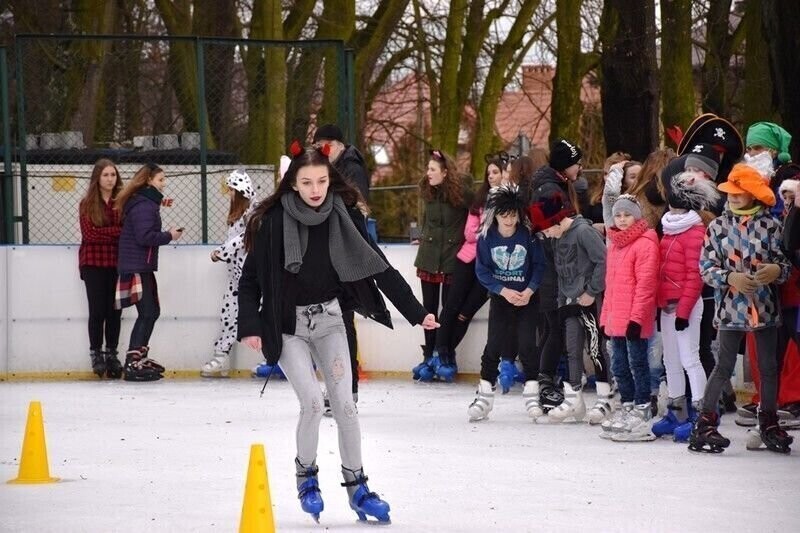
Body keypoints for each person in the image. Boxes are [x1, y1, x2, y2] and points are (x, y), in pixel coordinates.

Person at [237, 143, 438, 523]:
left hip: (330, 320)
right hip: (289, 326)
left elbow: (378, 266)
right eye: (307, 182)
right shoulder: (275, 223)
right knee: (312, 403)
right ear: (293, 184)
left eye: (322, 181)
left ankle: (358, 488)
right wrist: (250, 326)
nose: (316, 189)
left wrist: (417, 312)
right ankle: (307, 478)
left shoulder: (342, 215)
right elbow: (250, 282)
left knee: (345, 405)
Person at [691, 164, 792, 454]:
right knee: (723, 364)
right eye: (730, 194)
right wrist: (729, 277)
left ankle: (769, 421)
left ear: (754, 195)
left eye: (739, 194)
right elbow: (706, 267)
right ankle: (706, 422)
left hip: (764, 307)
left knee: (769, 366)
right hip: (730, 309)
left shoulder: (771, 226)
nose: (733, 198)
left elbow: (784, 265)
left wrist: (776, 270)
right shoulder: (718, 226)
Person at [530, 179, 611, 425]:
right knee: (572, 348)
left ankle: (605, 398)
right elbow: (561, 271)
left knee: (595, 349)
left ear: (555, 221)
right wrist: (560, 300)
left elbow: (603, 261)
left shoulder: (583, 231)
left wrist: (591, 291)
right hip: (568, 301)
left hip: (588, 301)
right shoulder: (558, 238)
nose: (545, 235)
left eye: (546, 230)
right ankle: (574, 397)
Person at [652, 172, 720, 442]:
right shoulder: (667, 228)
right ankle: (676, 409)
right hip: (667, 305)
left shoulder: (694, 231)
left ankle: (701, 414)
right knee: (670, 360)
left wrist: (683, 311)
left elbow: (695, 275)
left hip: (686, 307)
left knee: (689, 358)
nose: (673, 207)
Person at [468, 184, 545, 421]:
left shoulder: (528, 236)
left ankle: (533, 394)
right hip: (501, 300)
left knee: (527, 345)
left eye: (513, 215)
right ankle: (484, 395)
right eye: (504, 215)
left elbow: (540, 266)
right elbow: (482, 271)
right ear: (495, 215)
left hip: (526, 300)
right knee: (494, 345)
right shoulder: (486, 238)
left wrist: (530, 290)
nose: (509, 220)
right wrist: (502, 290)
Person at [432, 155, 503, 381]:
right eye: (489, 173)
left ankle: (447, 350)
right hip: (467, 259)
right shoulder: (480, 200)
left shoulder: (509, 199)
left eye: (495, 172)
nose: (491, 177)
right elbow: (469, 234)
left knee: (466, 312)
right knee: (452, 305)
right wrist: (488, 229)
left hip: (491, 265)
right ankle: (441, 351)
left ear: (505, 174)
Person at [598, 195, 659, 441]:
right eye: (618, 215)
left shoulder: (645, 243)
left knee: (638, 365)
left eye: (627, 215)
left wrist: (636, 319)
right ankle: (627, 405)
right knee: (619, 367)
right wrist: (605, 319)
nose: (622, 220)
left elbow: (645, 286)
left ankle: (642, 408)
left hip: (634, 321)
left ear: (637, 216)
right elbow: (610, 287)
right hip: (615, 319)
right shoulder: (615, 244)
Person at [115, 163, 183, 382]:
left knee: (151, 311)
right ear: (148, 181)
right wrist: (169, 236)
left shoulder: (146, 203)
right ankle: (133, 359)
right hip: (137, 266)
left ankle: (139, 355)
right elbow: (145, 237)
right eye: (161, 179)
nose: (164, 184)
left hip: (141, 265)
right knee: (148, 312)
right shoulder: (144, 205)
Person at [411, 149, 471, 381]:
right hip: (428, 256)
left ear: (445, 173)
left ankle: (444, 354)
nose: (428, 174)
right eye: (428, 169)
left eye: (432, 170)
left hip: (450, 258)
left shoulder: (461, 193)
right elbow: (426, 219)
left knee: (449, 309)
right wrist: (421, 234)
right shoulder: (427, 192)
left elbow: (476, 212)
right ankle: (429, 355)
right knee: (428, 310)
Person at [201, 169, 257, 378]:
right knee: (229, 316)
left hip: (249, 277)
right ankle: (221, 357)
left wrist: (221, 252)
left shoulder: (252, 212)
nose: (229, 194)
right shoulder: (238, 214)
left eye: (232, 190)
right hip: (236, 277)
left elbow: (245, 237)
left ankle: (275, 358)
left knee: (255, 316)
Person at [79, 158, 124, 378]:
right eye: (106, 175)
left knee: (114, 310)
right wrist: (115, 232)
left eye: (113, 175)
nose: (110, 179)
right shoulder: (87, 203)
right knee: (97, 311)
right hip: (93, 263)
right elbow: (89, 235)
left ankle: (112, 353)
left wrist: (105, 232)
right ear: (97, 178)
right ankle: (96, 353)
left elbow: (127, 232)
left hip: (117, 263)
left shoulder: (123, 201)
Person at [312, 123, 370, 201]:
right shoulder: (317, 168)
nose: (324, 150)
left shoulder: (353, 169)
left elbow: (360, 206)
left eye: (329, 145)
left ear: (341, 146)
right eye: (319, 146)